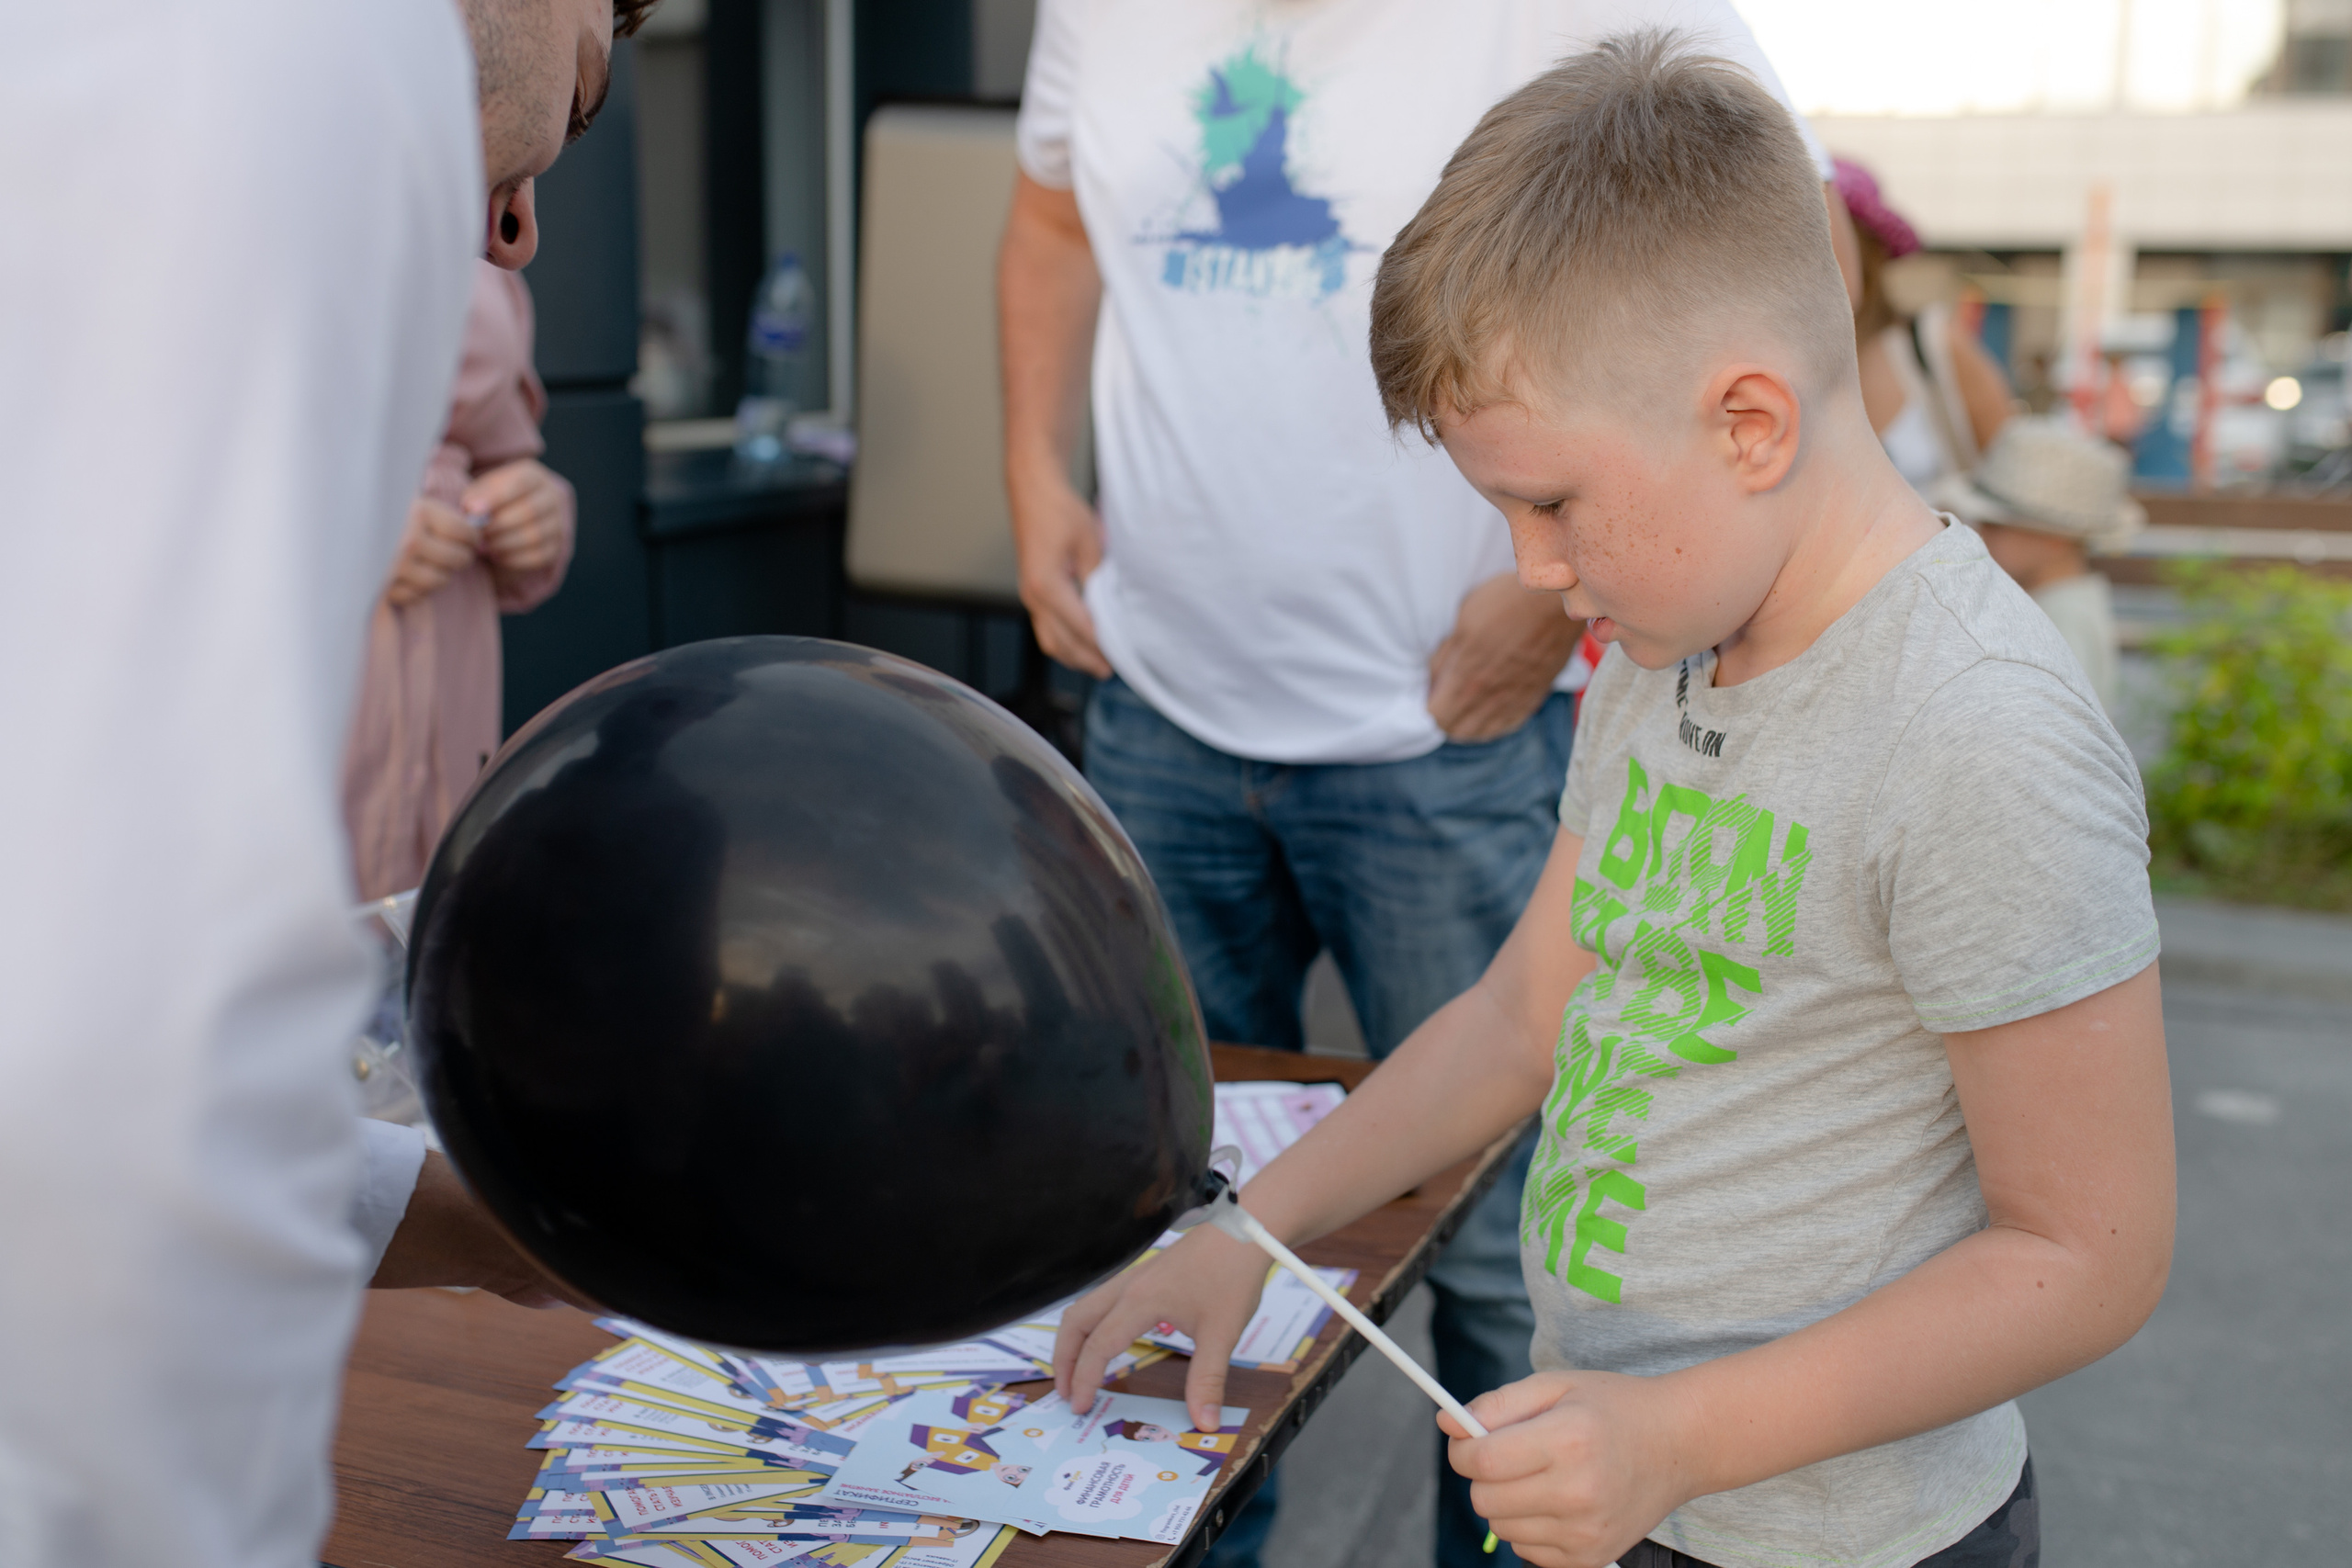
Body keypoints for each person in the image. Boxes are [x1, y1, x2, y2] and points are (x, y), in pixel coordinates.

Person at [1056, 33, 2171, 1568]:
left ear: (1750, 423)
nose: (1528, 568)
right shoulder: (1664, 644)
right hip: (1628, 1499)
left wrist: (1677, 1440)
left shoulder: (1983, 731)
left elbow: (2088, 1254)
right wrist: (1255, 1231)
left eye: (1550, 502)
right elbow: (1523, 1019)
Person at [1000, 8, 1827, 1563]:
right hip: (1157, 707)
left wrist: (1560, 584)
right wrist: (1031, 471)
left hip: (1440, 736)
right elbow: (1048, 210)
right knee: (1170, 1227)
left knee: (1510, 1261)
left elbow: (1779, 239)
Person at [1, 2, 644, 1562]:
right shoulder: (306, 81)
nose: (523, 211)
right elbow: (123, 1060)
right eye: (606, 54)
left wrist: (494, 1235)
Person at [345, 260, 578, 906]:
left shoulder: (482, 257)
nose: (524, 230)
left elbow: (503, 453)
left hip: (449, 709)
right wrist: (325, 535)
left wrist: (535, 508)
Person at [1933, 416, 2144, 716]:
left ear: (2055, 537)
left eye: (1996, 524)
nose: (1980, 531)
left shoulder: (2061, 622)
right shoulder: (2059, 603)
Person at [1833, 157, 2015, 491]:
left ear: (1868, 253)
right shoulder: (1776, 361)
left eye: (1826, 238)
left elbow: (2016, 474)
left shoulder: (1932, 345)